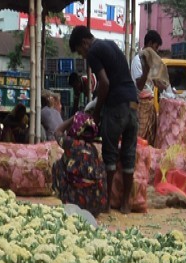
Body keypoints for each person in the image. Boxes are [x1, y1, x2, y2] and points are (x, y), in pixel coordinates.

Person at [69, 25, 139, 213]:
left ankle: (106, 202)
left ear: (84, 42)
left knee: (110, 154)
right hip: (133, 103)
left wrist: (97, 113)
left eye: (80, 51)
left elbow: (105, 83)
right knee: (129, 155)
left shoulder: (93, 51)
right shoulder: (111, 45)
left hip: (116, 105)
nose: (83, 56)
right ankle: (125, 204)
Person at [51, 109, 107, 216]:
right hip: (94, 204)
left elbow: (57, 132)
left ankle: (66, 200)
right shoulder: (93, 149)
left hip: (75, 202)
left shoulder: (71, 144)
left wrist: (73, 118)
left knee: (58, 165)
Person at [131, 29, 165, 145]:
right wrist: (146, 71)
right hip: (141, 105)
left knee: (150, 139)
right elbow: (139, 86)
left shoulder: (151, 62)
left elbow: (157, 82)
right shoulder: (137, 61)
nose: (156, 52)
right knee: (139, 138)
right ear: (149, 44)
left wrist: (170, 92)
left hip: (150, 104)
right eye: (155, 48)